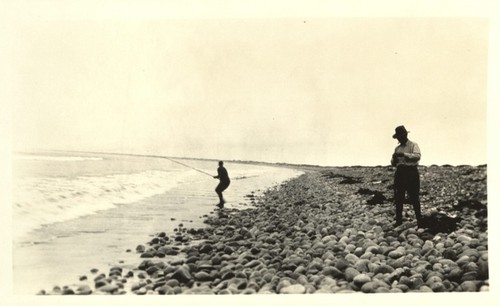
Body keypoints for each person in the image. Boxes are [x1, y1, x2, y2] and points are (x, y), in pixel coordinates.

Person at [391, 125, 423, 227]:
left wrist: (404, 155)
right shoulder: (397, 148)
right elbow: (393, 163)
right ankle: (399, 221)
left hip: (411, 172)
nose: (400, 139)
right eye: (398, 137)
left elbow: (417, 156)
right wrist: (394, 159)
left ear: (405, 135)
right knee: (398, 197)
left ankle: (419, 220)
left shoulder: (413, 145)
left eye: (401, 136)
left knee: (414, 197)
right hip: (400, 172)